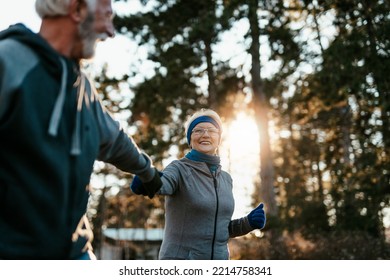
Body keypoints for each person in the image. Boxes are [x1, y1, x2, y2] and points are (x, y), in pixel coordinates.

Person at [0, 0, 162, 260]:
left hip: (76, 252)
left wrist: (148, 172)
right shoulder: (9, 62)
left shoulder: (82, 88)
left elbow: (116, 141)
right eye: (106, 15)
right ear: (76, 9)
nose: (110, 33)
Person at [131, 108, 266, 260]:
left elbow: (218, 230)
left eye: (211, 130)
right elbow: (164, 183)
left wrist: (248, 223)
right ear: (190, 138)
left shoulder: (226, 179)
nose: (205, 134)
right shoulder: (179, 169)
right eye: (198, 130)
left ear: (219, 138)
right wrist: (148, 179)